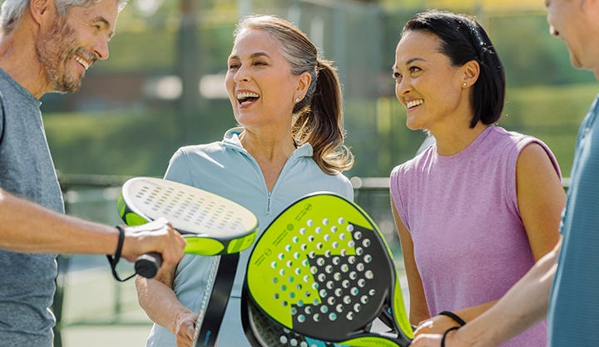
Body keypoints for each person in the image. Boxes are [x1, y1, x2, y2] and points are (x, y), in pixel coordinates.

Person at [135, 14, 355, 347]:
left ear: (301, 85)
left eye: (259, 63)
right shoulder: (191, 166)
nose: (241, 76)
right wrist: (179, 318)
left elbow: (331, 310)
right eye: (234, 65)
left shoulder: (334, 189)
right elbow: (151, 278)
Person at [410, 1, 599, 346]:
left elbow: (568, 272)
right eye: (398, 74)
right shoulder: (592, 123)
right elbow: (564, 263)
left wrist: (459, 334)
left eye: (550, 3)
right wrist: (459, 335)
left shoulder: (523, 157)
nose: (551, 25)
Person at [0, 0, 186, 345]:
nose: (103, 50)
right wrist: (122, 241)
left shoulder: (24, 107)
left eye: (108, 35)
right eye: (96, 27)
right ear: (42, 8)